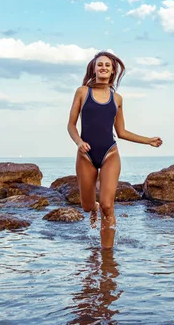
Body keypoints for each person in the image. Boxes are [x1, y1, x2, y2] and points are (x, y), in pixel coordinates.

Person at [67, 51, 162, 249]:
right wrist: (78, 143)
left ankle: (107, 255)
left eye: (107, 65)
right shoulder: (82, 92)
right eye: (100, 64)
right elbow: (71, 125)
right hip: (86, 155)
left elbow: (121, 132)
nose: (103, 68)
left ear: (112, 71)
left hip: (110, 153)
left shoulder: (117, 98)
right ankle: (93, 208)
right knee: (86, 205)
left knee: (108, 206)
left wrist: (148, 140)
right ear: (94, 68)